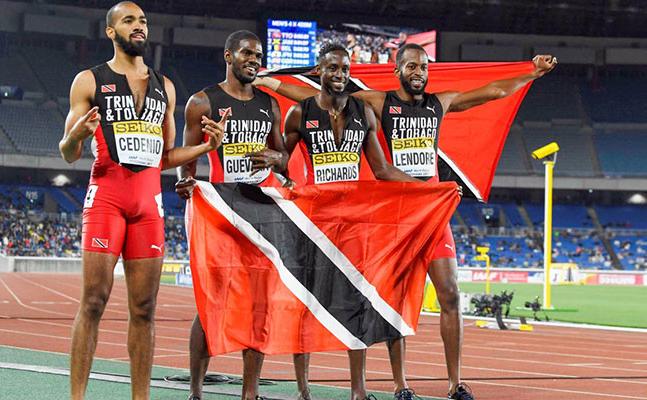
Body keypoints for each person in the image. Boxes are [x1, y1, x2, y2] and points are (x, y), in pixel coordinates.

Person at [255, 44, 557, 400]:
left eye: (424, 67)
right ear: (397, 71)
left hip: (429, 212)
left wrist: (531, 74)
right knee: (390, 300)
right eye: (412, 66)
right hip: (393, 214)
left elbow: (489, 93)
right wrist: (270, 83)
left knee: (450, 294)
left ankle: (454, 383)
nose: (419, 72)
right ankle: (400, 385)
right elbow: (316, 93)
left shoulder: (438, 103)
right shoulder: (379, 103)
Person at [59, 2, 224, 399]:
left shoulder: (164, 87)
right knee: (94, 302)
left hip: (148, 205)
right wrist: (77, 136)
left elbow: (165, 157)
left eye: (143, 21)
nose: (139, 26)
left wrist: (206, 147)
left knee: (144, 310)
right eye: (129, 21)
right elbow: (67, 152)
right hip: (106, 200)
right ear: (112, 31)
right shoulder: (89, 81)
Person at [282, 42, 420, 400]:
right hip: (315, 221)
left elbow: (382, 169)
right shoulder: (300, 113)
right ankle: (302, 389)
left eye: (344, 69)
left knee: (358, 301)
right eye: (332, 68)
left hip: (356, 223)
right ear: (319, 71)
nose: (339, 75)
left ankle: (358, 391)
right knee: (306, 302)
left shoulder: (364, 113)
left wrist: (426, 187)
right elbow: (282, 161)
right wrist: (272, 162)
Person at [173, 30, 290, 400]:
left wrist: (275, 159)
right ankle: (195, 391)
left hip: (261, 211)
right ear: (228, 56)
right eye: (246, 53)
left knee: (260, 305)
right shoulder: (202, 102)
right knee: (213, 301)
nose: (253, 60)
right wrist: (185, 184)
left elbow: (285, 158)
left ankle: (249, 393)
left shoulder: (269, 105)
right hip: (220, 210)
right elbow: (186, 157)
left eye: (258, 55)